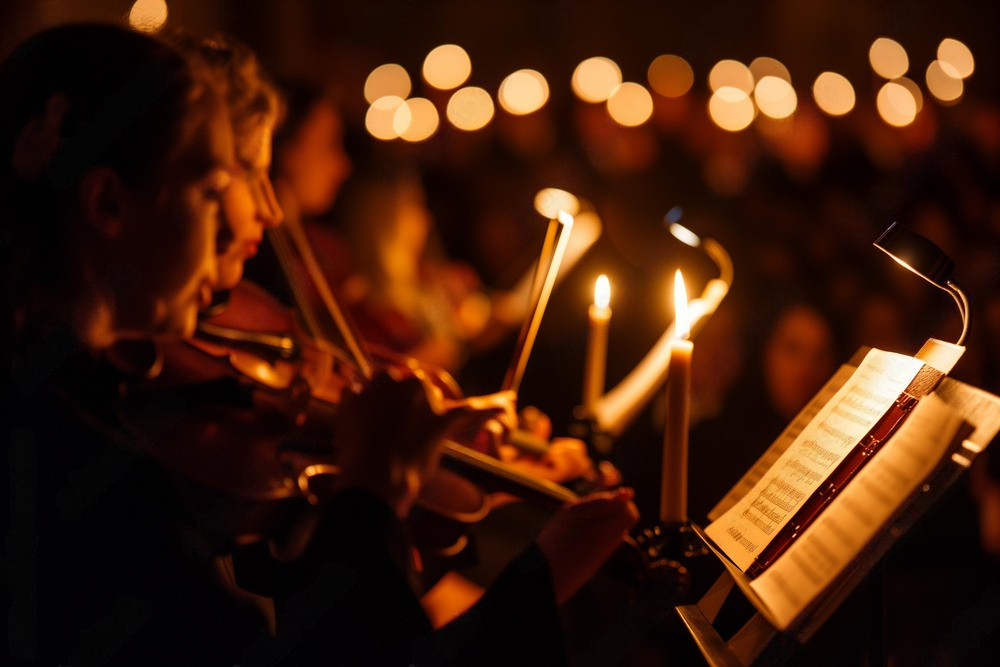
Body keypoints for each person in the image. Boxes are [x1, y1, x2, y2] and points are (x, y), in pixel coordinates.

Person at [0, 22, 255, 664]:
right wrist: (370, 504)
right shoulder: (81, 476)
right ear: (109, 202)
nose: (228, 232)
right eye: (210, 194)